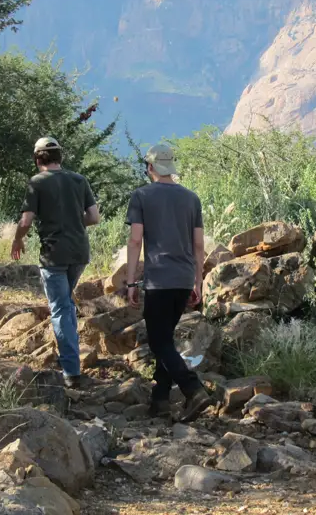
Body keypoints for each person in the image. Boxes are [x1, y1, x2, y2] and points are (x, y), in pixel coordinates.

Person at [125, 144, 211, 423]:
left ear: (150, 168)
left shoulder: (141, 196)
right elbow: (199, 245)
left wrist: (130, 282)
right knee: (166, 338)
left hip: (159, 278)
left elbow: (136, 240)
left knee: (159, 341)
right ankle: (160, 400)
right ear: (170, 167)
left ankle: (193, 388)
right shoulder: (191, 198)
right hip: (185, 278)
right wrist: (198, 281)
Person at [11, 137, 100, 389]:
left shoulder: (36, 183)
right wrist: (71, 220)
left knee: (61, 309)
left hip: (53, 254)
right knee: (67, 305)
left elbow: (26, 222)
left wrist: (18, 240)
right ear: (60, 157)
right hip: (79, 253)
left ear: (38, 159)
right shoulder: (79, 180)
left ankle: (71, 372)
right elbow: (94, 217)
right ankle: (72, 360)